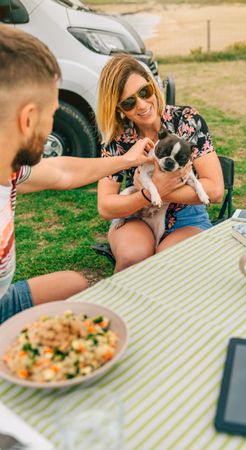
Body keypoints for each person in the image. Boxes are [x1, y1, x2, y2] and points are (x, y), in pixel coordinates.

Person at [0, 26, 153, 324]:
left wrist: (125, 160)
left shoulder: (10, 168)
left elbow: (62, 171)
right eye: (52, 113)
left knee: (76, 285)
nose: (51, 125)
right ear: (29, 118)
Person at [97, 54, 224, 273]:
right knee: (131, 259)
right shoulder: (117, 139)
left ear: (153, 85)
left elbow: (215, 190)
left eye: (144, 92)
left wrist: (160, 191)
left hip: (188, 216)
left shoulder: (187, 120)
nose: (142, 104)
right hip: (139, 214)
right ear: (118, 108)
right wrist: (145, 196)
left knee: (165, 266)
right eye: (129, 102)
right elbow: (106, 206)